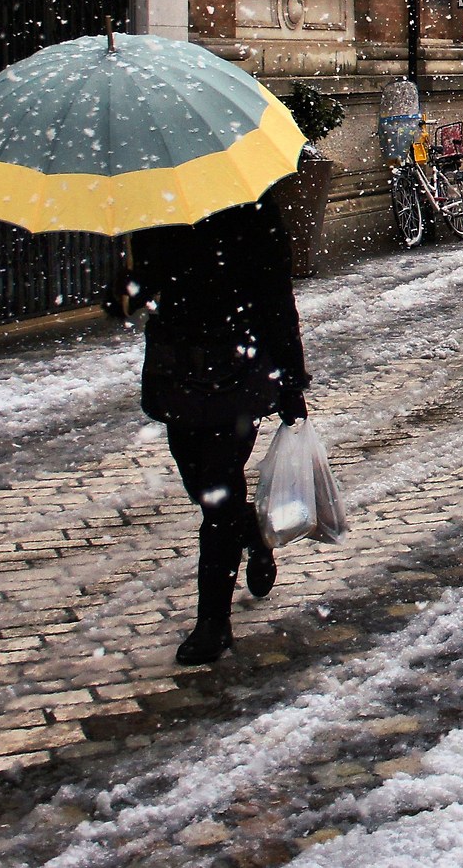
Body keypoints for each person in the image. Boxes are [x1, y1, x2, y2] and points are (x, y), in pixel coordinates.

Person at [127, 188, 310, 666]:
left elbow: (276, 297)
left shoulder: (254, 208)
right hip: (178, 368)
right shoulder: (155, 203)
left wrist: (291, 381)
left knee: (219, 489)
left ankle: (213, 619)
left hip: (236, 369)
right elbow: (145, 285)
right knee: (202, 484)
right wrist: (134, 286)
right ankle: (250, 534)